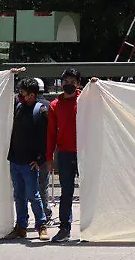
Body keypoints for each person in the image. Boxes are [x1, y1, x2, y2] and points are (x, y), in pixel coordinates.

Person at [5, 78, 50, 240]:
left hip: (30, 162)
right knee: (19, 195)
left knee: (33, 195)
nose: (19, 95)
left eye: (22, 92)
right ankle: (21, 227)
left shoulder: (41, 111)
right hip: (15, 160)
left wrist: (39, 159)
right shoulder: (18, 107)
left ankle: (41, 225)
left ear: (31, 95)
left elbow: (45, 139)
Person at [47, 68, 82, 242]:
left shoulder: (86, 100)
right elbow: (51, 133)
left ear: (78, 84)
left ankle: (92, 227)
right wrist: (49, 157)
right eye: (65, 81)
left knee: (91, 190)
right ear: (61, 84)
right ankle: (64, 228)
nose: (69, 84)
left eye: (72, 82)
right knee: (66, 192)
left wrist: (96, 85)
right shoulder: (54, 105)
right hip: (65, 154)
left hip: (85, 152)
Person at [34, 78, 53, 211]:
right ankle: (45, 211)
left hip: (30, 151)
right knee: (43, 184)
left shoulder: (27, 106)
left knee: (30, 185)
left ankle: (38, 211)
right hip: (46, 150)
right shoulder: (49, 105)